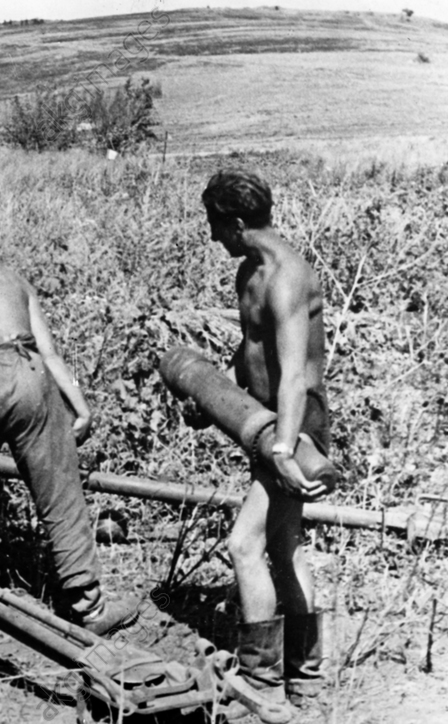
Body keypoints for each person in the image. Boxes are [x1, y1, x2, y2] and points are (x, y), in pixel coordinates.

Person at [0, 218, 138, 635]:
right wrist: (80, 405)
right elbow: (50, 353)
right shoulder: (12, 279)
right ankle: (89, 608)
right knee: (59, 491)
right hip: (29, 372)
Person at [201, 169, 329, 714]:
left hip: (293, 431)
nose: (212, 238)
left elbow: (296, 374)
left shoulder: (286, 277)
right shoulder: (249, 272)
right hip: (266, 425)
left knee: (244, 545)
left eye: (214, 226)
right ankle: (307, 678)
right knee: (284, 545)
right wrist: (217, 398)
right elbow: (251, 347)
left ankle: (261, 680)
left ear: (234, 222)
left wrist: (282, 449)